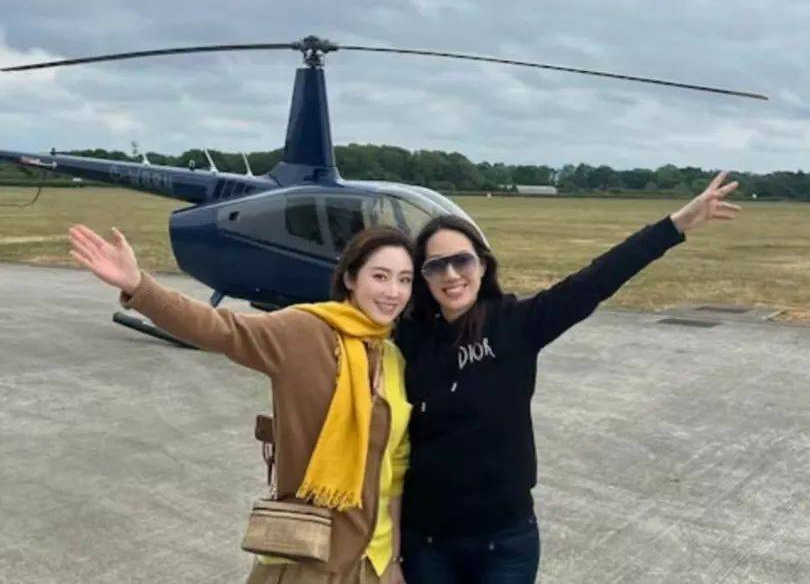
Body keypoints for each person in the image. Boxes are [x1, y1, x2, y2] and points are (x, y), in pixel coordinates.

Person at [396, 172, 742, 583]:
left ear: (483, 265)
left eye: (462, 260)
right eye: (437, 265)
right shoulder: (407, 339)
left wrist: (676, 225)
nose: (452, 274)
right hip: (428, 544)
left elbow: (595, 280)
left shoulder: (517, 324)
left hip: (503, 543)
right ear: (423, 277)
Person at [67, 223, 415, 584]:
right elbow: (222, 329)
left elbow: (395, 471)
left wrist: (392, 560)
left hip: (372, 566)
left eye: (404, 280)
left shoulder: (393, 359)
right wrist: (140, 287)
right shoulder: (305, 332)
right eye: (380, 276)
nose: (393, 291)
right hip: (306, 559)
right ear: (350, 278)